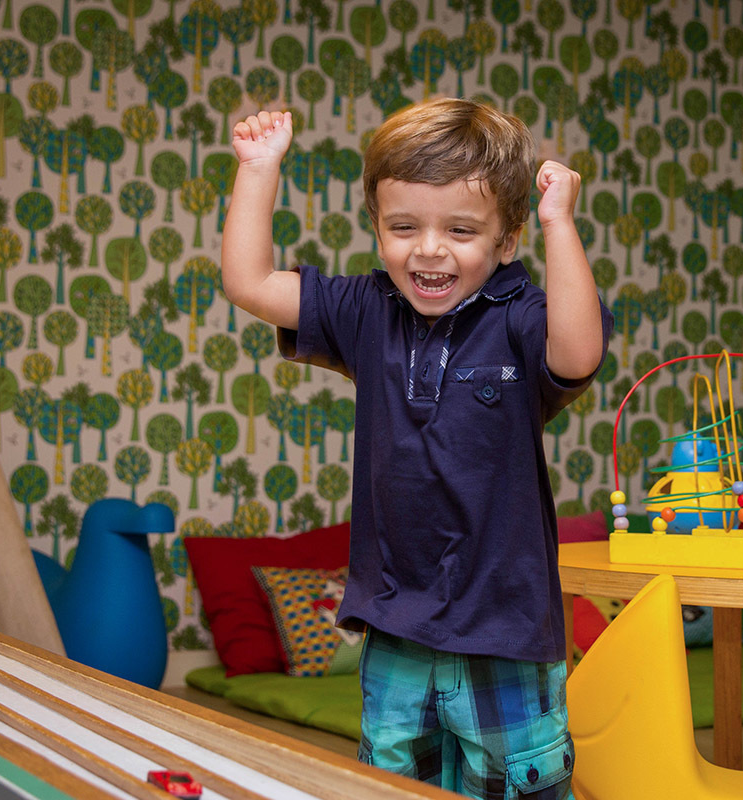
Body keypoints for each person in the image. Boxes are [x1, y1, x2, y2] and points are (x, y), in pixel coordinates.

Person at [222, 98, 613, 800]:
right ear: (377, 225)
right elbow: (249, 284)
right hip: (396, 627)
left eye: (462, 230)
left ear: (507, 237)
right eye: (404, 227)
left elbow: (579, 351)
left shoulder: (525, 314)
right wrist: (258, 170)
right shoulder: (364, 310)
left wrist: (560, 223)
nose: (429, 249)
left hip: (505, 635)